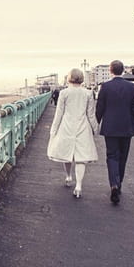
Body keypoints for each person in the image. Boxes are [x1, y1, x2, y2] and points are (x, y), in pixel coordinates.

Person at [47, 68, 98, 199]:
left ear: (69, 78)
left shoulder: (64, 93)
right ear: (81, 78)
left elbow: (59, 113)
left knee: (67, 152)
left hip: (67, 126)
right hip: (83, 126)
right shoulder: (88, 93)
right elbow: (91, 114)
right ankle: (79, 186)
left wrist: (53, 130)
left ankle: (69, 176)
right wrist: (96, 129)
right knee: (81, 157)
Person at [96, 60, 134, 205]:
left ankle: (114, 184)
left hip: (110, 128)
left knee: (112, 156)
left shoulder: (105, 87)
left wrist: (95, 123)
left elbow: (100, 108)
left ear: (110, 70)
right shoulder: (132, 88)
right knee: (123, 156)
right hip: (127, 128)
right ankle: (119, 182)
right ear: (122, 70)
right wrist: (133, 125)